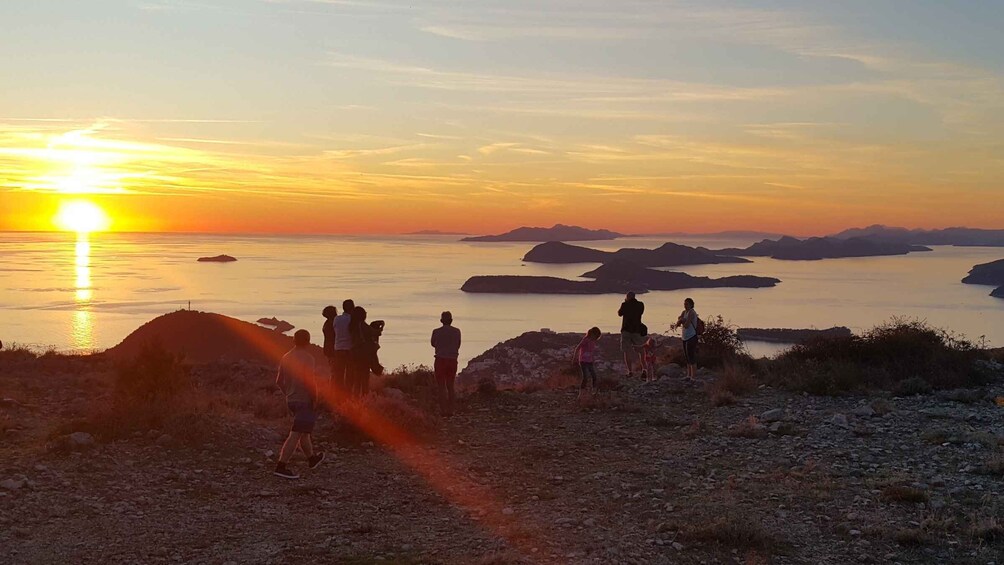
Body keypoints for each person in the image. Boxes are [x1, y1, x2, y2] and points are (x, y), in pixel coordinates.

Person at [274, 329, 324, 479]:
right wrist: (315, 398)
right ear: (308, 341)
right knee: (296, 433)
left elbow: (279, 381)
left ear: (294, 340)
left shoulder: (286, 357)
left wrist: (288, 394)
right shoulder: (308, 358)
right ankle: (281, 466)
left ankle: (312, 459)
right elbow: (310, 381)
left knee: (303, 431)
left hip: (292, 400)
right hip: (304, 400)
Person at [431, 311, 461, 416]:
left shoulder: (436, 332)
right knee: (450, 386)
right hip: (452, 360)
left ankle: (443, 410)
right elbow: (458, 344)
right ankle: (451, 410)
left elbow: (433, 344)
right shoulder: (457, 331)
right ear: (451, 321)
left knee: (441, 386)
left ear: (441, 321)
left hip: (440, 360)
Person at [349, 306, 381, 397]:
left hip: (355, 354)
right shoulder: (362, 325)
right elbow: (374, 332)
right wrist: (380, 328)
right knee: (364, 377)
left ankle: (355, 397)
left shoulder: (352, 325)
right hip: (364, 354)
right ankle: (364, 396)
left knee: (357, 377)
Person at [617, 292, 646, 379]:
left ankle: (630, 371)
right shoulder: (640, 305)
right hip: (637, 330)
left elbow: (619, 313)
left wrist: (625, 302)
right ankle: (644, 369)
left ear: (627, 297)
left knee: (627, 351)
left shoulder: (625, 304)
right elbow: (641, 313)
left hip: (626, 330)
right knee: (641, 350)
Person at [671, 297, 699, 380]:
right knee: (687, 357)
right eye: (684, 304)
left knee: (691, 356)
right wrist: (680, 320)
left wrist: (681, 320)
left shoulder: (692, 312)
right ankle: (688, 375)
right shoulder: (684, 312)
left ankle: (693, 377)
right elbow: (679, 321)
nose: (685, 305)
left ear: (691, 305)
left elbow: (686, 325)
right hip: (685, 337)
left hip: (691, 336)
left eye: (687, 304)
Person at [331, 299, 355, 395]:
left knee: (339, 375)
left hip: (338, 349)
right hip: (349, 350)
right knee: (350, 374)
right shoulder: (352, 320)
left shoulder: (337, 319)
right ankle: (348, 394)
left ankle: (338, 395)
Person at [573, 327, 601, 396]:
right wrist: (575, 358)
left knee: (594, 376)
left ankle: (594, 391)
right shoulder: (585, 340)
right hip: (583, 361)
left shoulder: (593, 342)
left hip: (590, 361)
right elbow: (578, 348)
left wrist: (593, 359)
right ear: (592, 334)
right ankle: (581, 393)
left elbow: (591, 352)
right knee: (585, 377)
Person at [321, 305, 337, 384]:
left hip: (329, 349)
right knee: (335, 371)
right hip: (333, 350)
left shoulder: (327, 323)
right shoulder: (332, 324)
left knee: (333, 370)